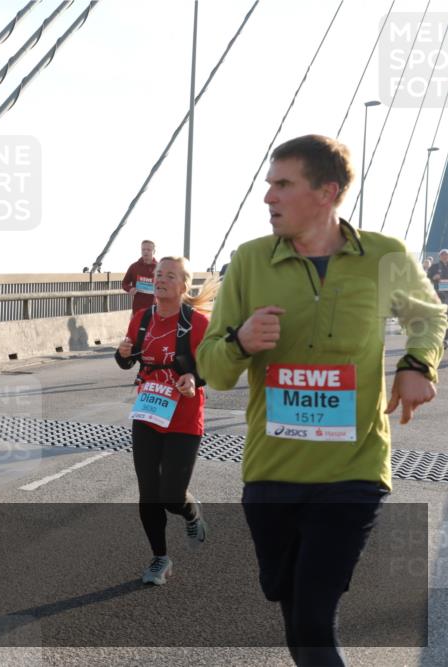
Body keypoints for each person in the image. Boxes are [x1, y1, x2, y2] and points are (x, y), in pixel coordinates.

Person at [196, 135, 446, 666]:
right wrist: (240, 342)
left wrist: (416, 364)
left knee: (312, 619)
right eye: (269, 184)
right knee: (285, 597)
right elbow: (212, 370)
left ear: (327, 192)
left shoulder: (385, 256)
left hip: (352, 471)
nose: (268, 197)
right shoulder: (248, 261)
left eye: (282, 184)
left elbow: (429, 316)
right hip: (271, 470)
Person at [115, 256, 218, 585]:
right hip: (148, 412)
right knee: (148, 493)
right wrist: (122, 352)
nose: (160, 279)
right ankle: (160, 558)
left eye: (169, 275)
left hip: (184, 416)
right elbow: (128, 361)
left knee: (171, 495)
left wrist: (193, 377)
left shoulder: (197, 323)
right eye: (159, 274)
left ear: (184, 286)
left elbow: (212, 366)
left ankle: (189, 510)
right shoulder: (142, 318)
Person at [122, 240, 158, 313]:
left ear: (154, 251)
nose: (145, 252)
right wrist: (130, 289)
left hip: (155, 307)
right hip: (138, 308)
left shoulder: (160, 267)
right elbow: (124, 283)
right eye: (143, 249)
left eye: (148, 250)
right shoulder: (134, 267)